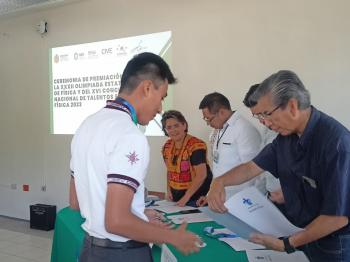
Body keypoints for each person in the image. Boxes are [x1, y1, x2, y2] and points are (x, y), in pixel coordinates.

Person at [69, 52, 201, 262]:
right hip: (123, 254)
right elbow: (117, 221)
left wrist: (139, 215)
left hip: (90, 250)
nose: (160, 109)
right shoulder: (130, 135)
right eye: (162, 98)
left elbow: (76, 202)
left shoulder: (86, 126)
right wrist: (173, 237)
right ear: (147, 88)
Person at [207, 70, 350, 262]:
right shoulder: (286, 137)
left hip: (331, 243)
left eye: (266, 114)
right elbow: (251, 168)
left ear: (292, 106)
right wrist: (219, 181)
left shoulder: (336, 143)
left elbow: (337, 217)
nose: (265, 123)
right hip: (299, 230)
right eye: (260, 117)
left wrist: (287, 244)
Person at [197, 92, 262, 206]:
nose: (208, 123)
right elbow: (218, 167)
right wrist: (210, 194)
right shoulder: (217, 131)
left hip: (242, 200)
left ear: (221, 112)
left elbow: (254, 171)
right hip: (222, 199)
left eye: (209, 119)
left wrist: (250, 203)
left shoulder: (244, 129)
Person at [243, 84, 285, 209]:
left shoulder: (290, 132)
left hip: (291, 201)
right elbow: (261, 169)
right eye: (257, 116)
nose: (262, 121)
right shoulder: (267, 130)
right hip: (271, 199)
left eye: (263, 114)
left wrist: (290, 193)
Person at [161, 110, 213, 207]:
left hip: (196, 199)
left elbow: (201, 175)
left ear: (184, 125)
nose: (173, 130)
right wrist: (168, 190)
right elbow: (170, 170)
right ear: (165, 130)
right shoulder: (166, 146)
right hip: (177, 198)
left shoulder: (196, 145)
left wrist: (186, 198)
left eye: (176, 126)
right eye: (169, 127)